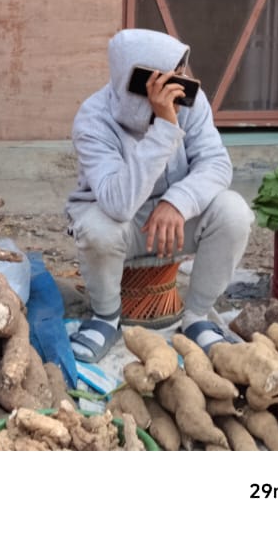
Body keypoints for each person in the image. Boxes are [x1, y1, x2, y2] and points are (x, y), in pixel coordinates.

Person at [65, 29, 254, 363]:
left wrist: (177, 202)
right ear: (138, 81)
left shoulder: (191, 103)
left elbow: (216, 164)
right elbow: (117, 202)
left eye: (183, 71)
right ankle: (106, 317)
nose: (183, 81)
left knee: (234, 212)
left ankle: (197, 317)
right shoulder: (93, 118)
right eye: (173, 74)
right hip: (126, 227)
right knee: (97, 228)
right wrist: (164, 126)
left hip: (177, 223)